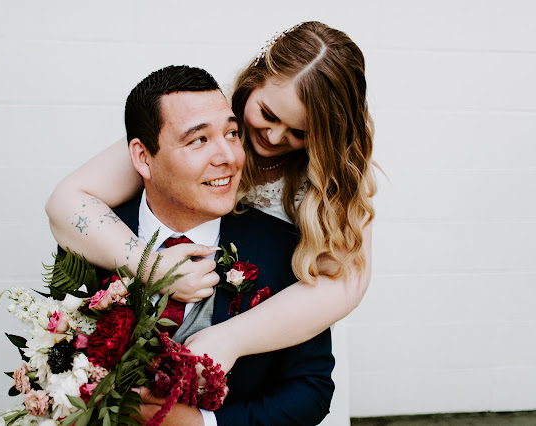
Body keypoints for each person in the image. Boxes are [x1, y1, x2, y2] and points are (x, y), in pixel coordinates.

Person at [46, 21, 375, 376]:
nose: (274, 136)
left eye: (299, 132)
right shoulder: (205, 119)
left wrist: (231, 339)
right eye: (267, 114)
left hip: (280, 342)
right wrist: (152, 267)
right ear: (254, 81)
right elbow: (66, 202)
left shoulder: (336, 172)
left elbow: (345, 284)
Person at [92, 64, 334, 425]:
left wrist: (203, 423)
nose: (228, 157)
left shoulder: (284, 249)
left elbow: (311, 391)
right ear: (143, 157)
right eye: (199, 140)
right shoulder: (94, 240)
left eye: (232, 134)